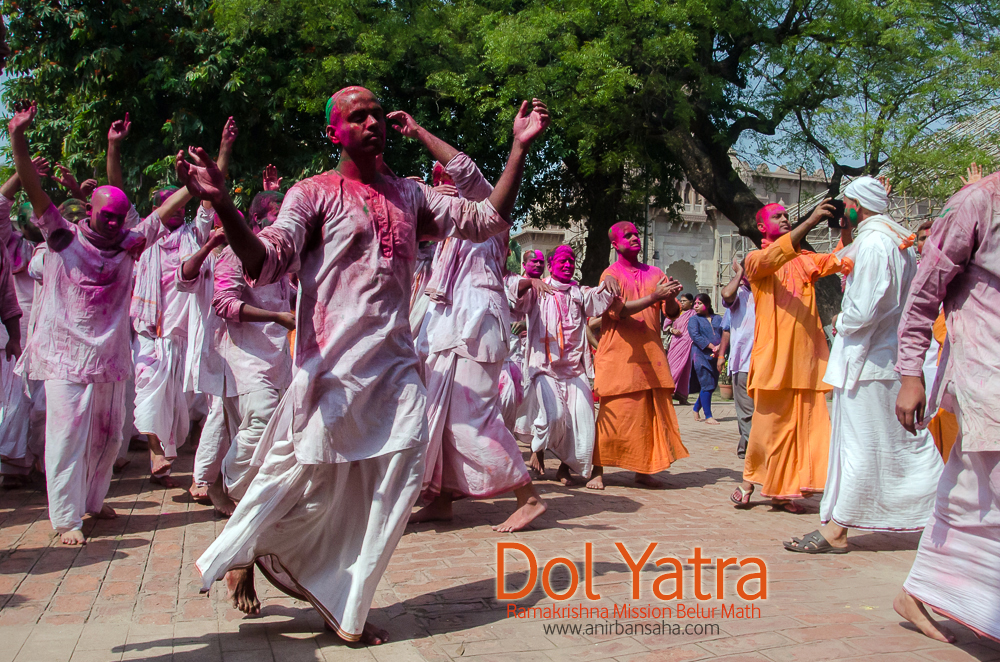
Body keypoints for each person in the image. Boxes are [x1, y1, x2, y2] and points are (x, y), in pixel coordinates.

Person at [188, 87, 549, 645]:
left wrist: (518, 150)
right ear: (335, 131)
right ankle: (248, 549)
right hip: (328, 369)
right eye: (358, 116)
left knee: (402, 474)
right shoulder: (311, 195)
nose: (373, 122)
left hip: (397, 368)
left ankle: (346, 606)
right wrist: (223, 205)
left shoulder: (411, 195)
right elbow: (264, 262)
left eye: (378, 113)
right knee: (302, 475)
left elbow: (488, 219)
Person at [8, 101, 167, 545]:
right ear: (87, 212)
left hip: (109, 357)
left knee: (108, 434)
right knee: (66, 436)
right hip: (63, 356)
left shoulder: (128, 245)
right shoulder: (61, 237)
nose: (114, 223)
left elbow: (156, 211)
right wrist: (18, 137)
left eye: (119, 218)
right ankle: (66, 518)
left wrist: (196, 185)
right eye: (106, 216)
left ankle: (93, 502)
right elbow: (36, 189)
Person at [389, 110, 547, 532]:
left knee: (472, 417)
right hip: (444, 326)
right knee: (435, 418)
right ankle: (442, 499)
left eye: (441, 189)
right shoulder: (440, 245)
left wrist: (420, 130)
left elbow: (464, 169)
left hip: (475, 325)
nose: (433, 202)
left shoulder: (483, 211)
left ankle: (527, 496)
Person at [784, 176, 942, 554]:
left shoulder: (874, 243)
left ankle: (838, 529)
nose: (844, 209)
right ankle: (943, 513)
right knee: (897, 445)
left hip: (871, 364)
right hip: (880, 362)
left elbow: (867, 309)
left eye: (847, 202)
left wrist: (840, 321)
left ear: (858, 204)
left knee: (866, 448)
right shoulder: (890, 240)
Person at [892, 168, 1000, 645]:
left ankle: (923, 592)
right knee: (981, 493)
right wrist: (910, 374)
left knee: (972, 495)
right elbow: (922, 295)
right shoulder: (977, 202)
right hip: (984, 372)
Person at [731, 200, 850, 513]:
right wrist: (809, 223)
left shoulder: (804, 260)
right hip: (774, 360)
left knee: (801, 431)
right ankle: (748, 481)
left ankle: (785, 491)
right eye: (778, 216)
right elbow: (772, 257)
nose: (785, 219)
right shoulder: (756, 259)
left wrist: (857, 220)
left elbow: (840, 259)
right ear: (760, 227)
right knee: (767, 429)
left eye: (787, 215)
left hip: (806, 362)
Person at [587, 222, 688, 490]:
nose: (634, 238)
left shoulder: (656, 272)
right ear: (615, 244)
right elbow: (617, 312)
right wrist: (656, 294)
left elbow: (672, 313)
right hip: (621, 356)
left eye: (636, 234)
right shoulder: (610, 275)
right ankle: (597, 469)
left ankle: (644, 470)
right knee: (614, 413)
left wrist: (668, 298)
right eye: (627, 235)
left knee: (646, 416)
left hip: (651, 353)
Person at [515, 245, 618, 485]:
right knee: (554, 416)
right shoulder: (538, 289)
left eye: (571, 261)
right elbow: (514, 299)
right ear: (550, 265)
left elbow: (599, 299)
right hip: (544, 368)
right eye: (562, 261)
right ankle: (537, 449)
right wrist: (530, 282)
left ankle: (565, 468)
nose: (567, 265)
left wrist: (611, 278)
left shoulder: (578, 292)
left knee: (583, 420)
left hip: (574, 369)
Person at [0, 158, 49, 486]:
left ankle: (33, 465)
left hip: (40, 335)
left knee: (39, 404)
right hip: (14, 337)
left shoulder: (57, 246)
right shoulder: (7, 245)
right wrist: (22, 174)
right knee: (14, 402)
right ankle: (14, 468)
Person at [719, 255, 755, 458]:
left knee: (761, 413)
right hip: (743, 363)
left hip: (766, 362)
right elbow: (726, 293)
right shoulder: (739, 294)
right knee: (747, 412)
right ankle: (753, 452)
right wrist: (739, 272)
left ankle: (747, 447)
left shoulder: (769, 293)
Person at [688, 293, 722, 425]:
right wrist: (712, 346)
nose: (695, 306)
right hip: (700, 355)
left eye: (699, 303)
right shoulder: (694, 320)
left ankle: (696, 408)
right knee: (707, 383)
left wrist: (720, 347)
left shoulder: (718, 318)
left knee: (711, 385)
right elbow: (695, 335)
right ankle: (708, 416)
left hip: (716, 356)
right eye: (695, 304)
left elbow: (725, 332)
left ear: (707, 304)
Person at [664, 293, 695, 405]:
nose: (681, 303)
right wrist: (672, 330)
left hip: (688, 344)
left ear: (691, 302)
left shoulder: (694, 314)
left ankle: (682, 396)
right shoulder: (676, 312)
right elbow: (666, 326)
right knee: (673, 367)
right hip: (676, 344)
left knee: (685, 370)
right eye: (681, 301)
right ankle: (668, 391)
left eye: (684, 301)